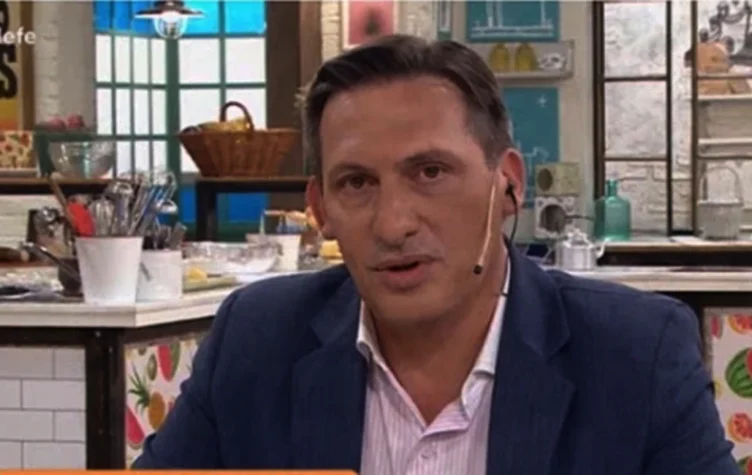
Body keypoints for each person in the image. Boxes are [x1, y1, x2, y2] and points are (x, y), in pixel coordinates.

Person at [133, 35, 735, 474]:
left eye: (430, 172)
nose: (394, 224)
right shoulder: (256, 341)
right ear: (320, 209)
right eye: (357, 183)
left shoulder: (638, 355)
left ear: (508, 184)